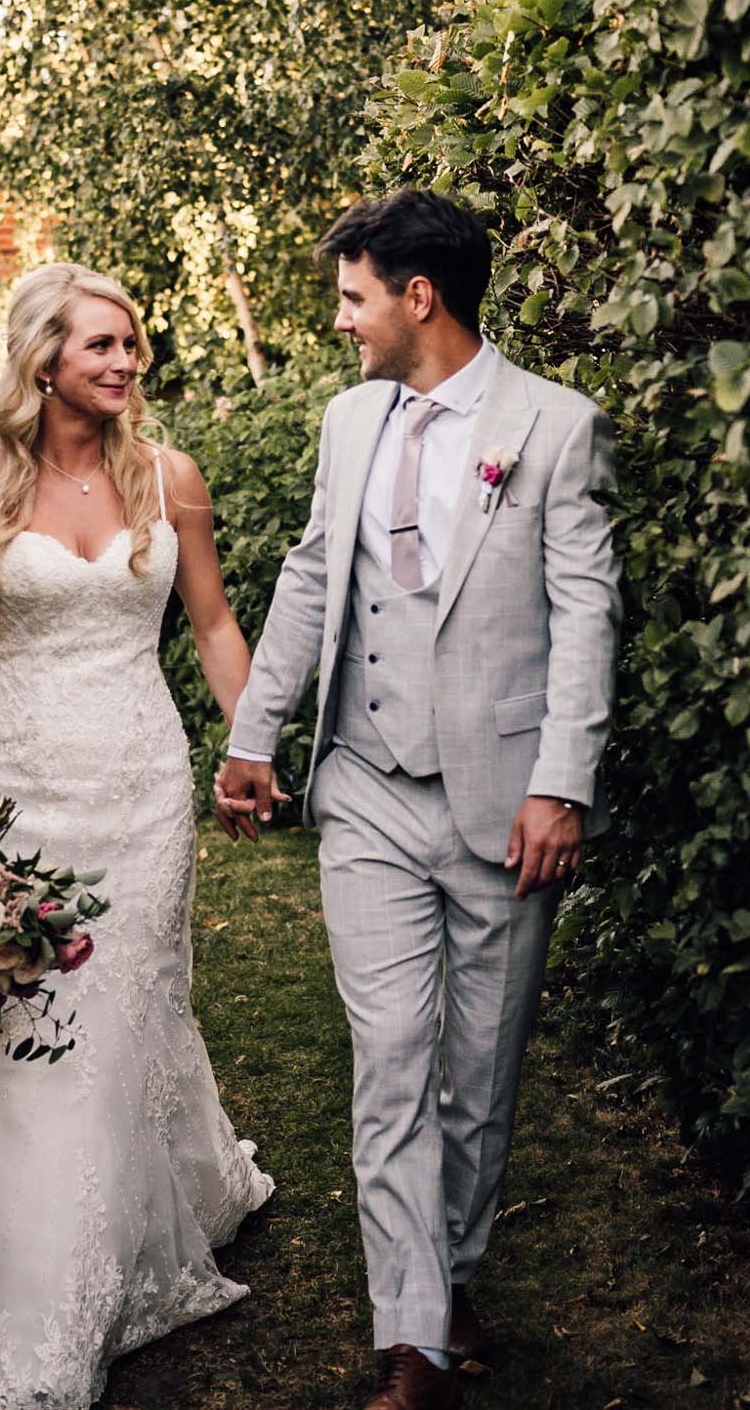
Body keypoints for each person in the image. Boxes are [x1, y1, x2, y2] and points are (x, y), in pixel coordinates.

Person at [214, 189, 622, 1410]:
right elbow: (307, 570)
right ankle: (417, 1341)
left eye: (353, 297)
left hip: (504, 801)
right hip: (365, 786)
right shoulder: (347, 423)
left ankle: (446, 1281)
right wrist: (255, 732)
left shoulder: (555, 426)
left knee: (478, 1073)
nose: (343, 322)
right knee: (390, 1058)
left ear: (417, 297)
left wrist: (562, 784)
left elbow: (588, 615)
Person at [0, 261, 275, 1410]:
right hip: (17, 786)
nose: (127, 363)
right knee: (20, 1024)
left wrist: (253, 742)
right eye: (103, 346)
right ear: (45, 359)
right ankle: (20, 1288)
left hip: (141, 788)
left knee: (123, 1007)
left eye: (132, 346)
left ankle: (119, 1223)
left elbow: (215, 623)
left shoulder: (169, 478)